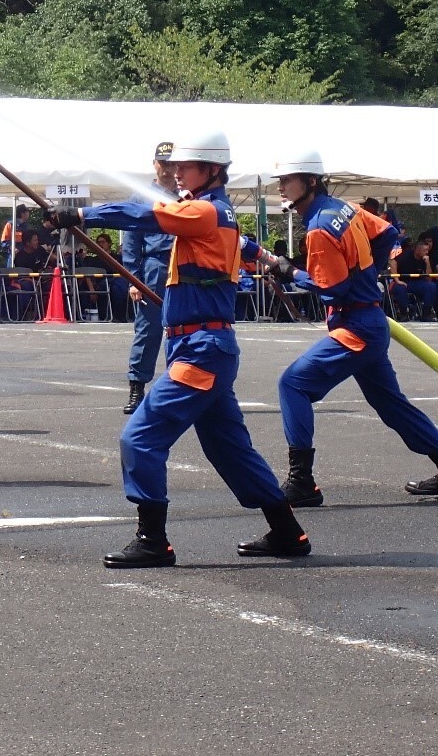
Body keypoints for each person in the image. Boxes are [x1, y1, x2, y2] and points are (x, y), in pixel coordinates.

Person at [47, 131, 311, 567]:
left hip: (201, 350)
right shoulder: (218, 214)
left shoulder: (202, 210)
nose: (175, 174)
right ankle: (288, 533)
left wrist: (82, 214)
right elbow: (243, 245)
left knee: (141, 437)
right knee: (231, 450)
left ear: (211, 171)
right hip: (204, 346)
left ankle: (153, 541)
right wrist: (272, 260)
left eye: (185, 167)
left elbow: (143, 214)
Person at [269, 148, 438, 507]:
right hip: (368, 320)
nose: (281, 187)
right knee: (389, 403)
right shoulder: (345, 208)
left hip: (356, 326)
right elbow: (387, 232)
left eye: (287, 180)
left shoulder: (319, 227)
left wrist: (287, 270)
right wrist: (368, 274)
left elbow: (330, 288)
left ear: (311, 181)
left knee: (293, 384)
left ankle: (301, 481)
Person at [119, 140, 177, 413]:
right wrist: (134, 279)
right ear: (154, 164)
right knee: (148, 330)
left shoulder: (190, 195)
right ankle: (136, 388)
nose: (167, 169)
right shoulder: (141, 197)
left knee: (186, 329)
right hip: (154, 267)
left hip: (185, 267)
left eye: (173, 163)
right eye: (163, 163)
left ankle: (179, 386)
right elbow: (131, 242)